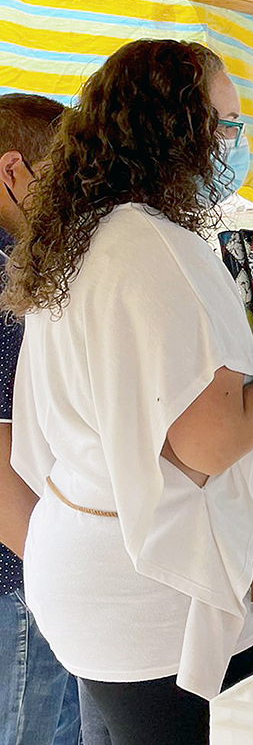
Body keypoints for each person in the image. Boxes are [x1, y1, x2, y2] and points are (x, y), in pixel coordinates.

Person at [4, 39, 253, 745]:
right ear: (175, 129)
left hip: (91, 563)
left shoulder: (81, 234)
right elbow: (207, 444)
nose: (235, 142)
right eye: (226, 123)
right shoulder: (152, 246)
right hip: (150, 589)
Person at [0, 93, 82, 745]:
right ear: (14, 173)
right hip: (19, 580)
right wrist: (58, 572)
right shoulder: (8, 282)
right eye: (70, 172)